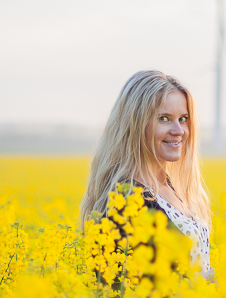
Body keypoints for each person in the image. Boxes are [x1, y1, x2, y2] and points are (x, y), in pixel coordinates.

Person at [80, 70, 214, 282]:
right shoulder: (126, 203)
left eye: (183, 119)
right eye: (164, 118)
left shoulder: (167, 188)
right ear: (135, 124)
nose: (179, 130)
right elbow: (127, 294)